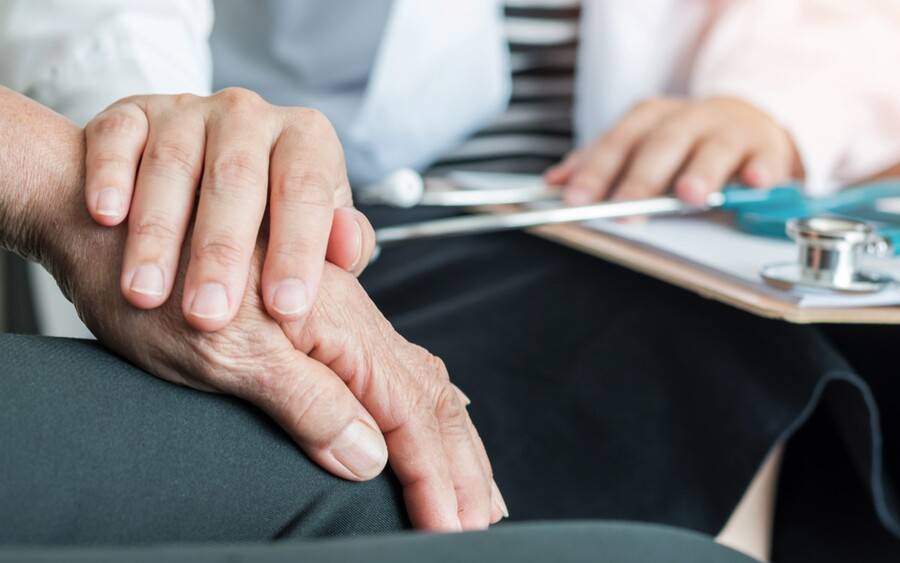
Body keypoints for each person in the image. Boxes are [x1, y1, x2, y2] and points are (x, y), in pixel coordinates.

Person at [3, 1, 900, 561]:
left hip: (673, 211)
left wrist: (777, 106)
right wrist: (164, 164)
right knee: (687, 359)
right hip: (352, 209)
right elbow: (98, 29)